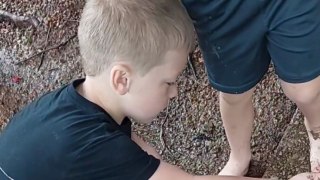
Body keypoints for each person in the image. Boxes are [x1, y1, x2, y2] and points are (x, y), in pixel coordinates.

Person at [0, 0, 273, 179]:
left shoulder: (75, 103)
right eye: (168, 82)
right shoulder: (97, 148)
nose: (175, 92)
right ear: (122, 80)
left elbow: (147, 160)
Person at [181, 0, 320, 179]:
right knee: (234, 93)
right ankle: (239, 156)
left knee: (305, 89)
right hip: (217, 10)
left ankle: (317, 129)